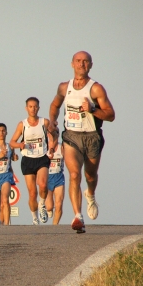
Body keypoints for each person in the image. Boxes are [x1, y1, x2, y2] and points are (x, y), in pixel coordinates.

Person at [49, 51, 115, 233]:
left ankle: (91, 195)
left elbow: (111, 115)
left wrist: (93, 109)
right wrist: (53, 120)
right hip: (71, 136)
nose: (81, 64)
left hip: (92, 137)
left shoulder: (96, 89)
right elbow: (55, 105)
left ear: (91, 65)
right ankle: (78, 216)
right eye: (78, 61)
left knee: (90, 176)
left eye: (85, 62)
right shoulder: (64, 87)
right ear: (72, 64)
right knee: (74, 175)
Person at [9, 97, 56, 225]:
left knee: (43, 184)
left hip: (42, 158)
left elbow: (55, 135)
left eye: (35, 106)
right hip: (27, 159)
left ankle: (42, 205)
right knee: (32, 192)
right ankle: (34, 218)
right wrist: (20, 145)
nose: (33, 109)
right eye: (30, 106)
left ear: (38, 108)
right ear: (26, 108)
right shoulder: (22, 124)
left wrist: (51, 148)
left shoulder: (44, 122)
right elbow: (12, 142)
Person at [45, 128, 65, 225]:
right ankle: (48, 209)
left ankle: (55, 225)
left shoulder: (62, 147)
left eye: (56, 132)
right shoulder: (44, 147)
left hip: (59, 177)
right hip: (47, 178)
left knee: (59, 204)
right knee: (49, 206)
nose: (54, 134)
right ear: (48, 134)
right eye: (51, 133)